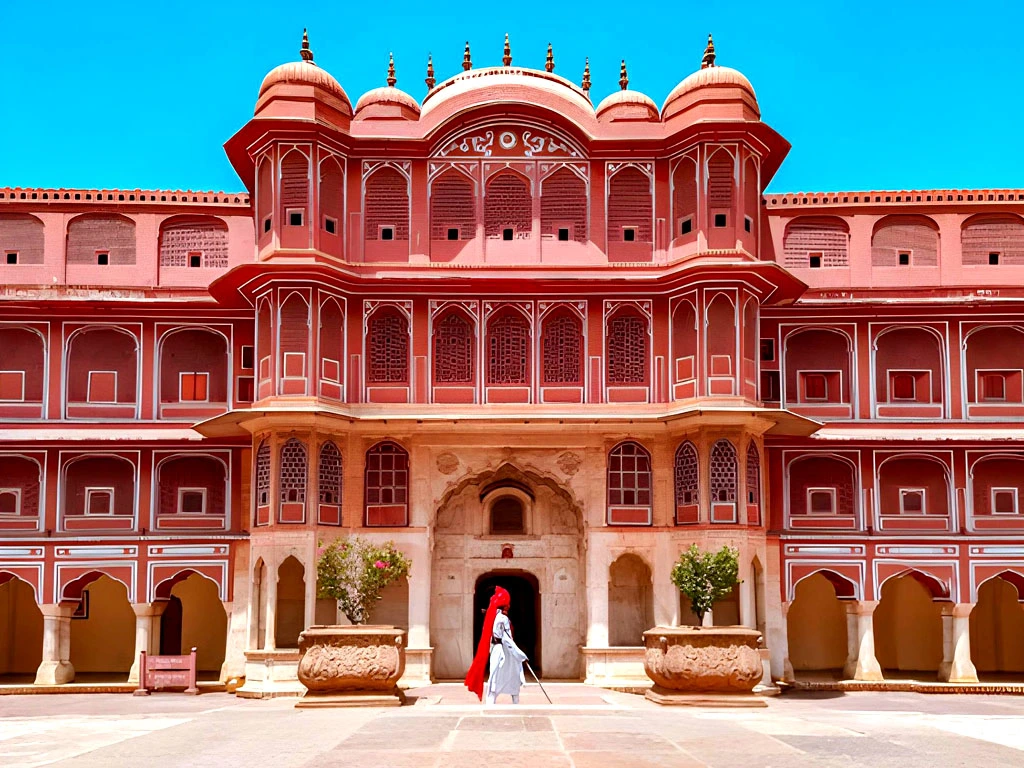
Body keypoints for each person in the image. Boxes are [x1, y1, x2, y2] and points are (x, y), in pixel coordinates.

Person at [464, 585, 529, 704]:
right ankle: (498, 702)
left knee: (503, 676)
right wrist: (521, 655)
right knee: (501, 675)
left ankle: (497, 702)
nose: (509, 606)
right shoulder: (502, 619)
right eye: (507, 604)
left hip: (500, 649)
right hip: (503, 651)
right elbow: (506, 639)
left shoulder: (495, 617)